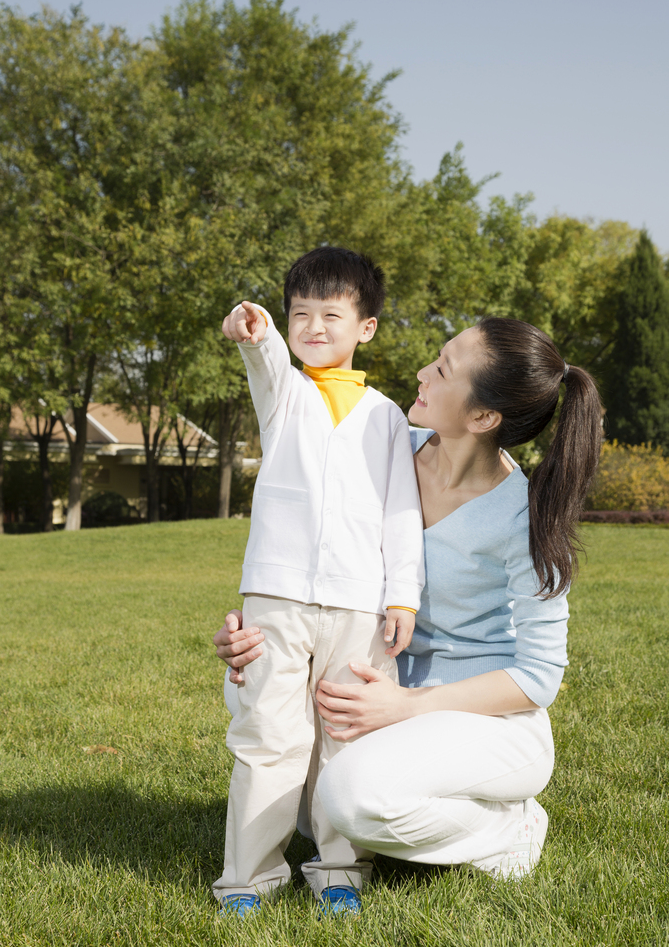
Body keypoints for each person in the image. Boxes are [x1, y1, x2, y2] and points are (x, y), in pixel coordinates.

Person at [216, 316, 602, 887]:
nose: (422, 372)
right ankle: (387, 802)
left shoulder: (526, 518)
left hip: (488, 722)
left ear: (483, 417)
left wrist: (406, 707)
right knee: (257, 704)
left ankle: (508, 830)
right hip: (375, 678)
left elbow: (540, 675)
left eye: (443, 370)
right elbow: (308, 548)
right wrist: (261, 625)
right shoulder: (386, 449)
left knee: (346, 799)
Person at [212, 247, 425, 917]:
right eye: (298, 313)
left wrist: (402, 596)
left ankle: (339, 870)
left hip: (359, 604)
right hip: (275, 596)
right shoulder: (285, 397)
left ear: (365, 326)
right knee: (268, 736)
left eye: (330, 314)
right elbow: (266, 357)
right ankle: (246, 880)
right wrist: (251, 329)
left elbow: (402, 511)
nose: (312, 326)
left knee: (345, 736)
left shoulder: (388, 417)